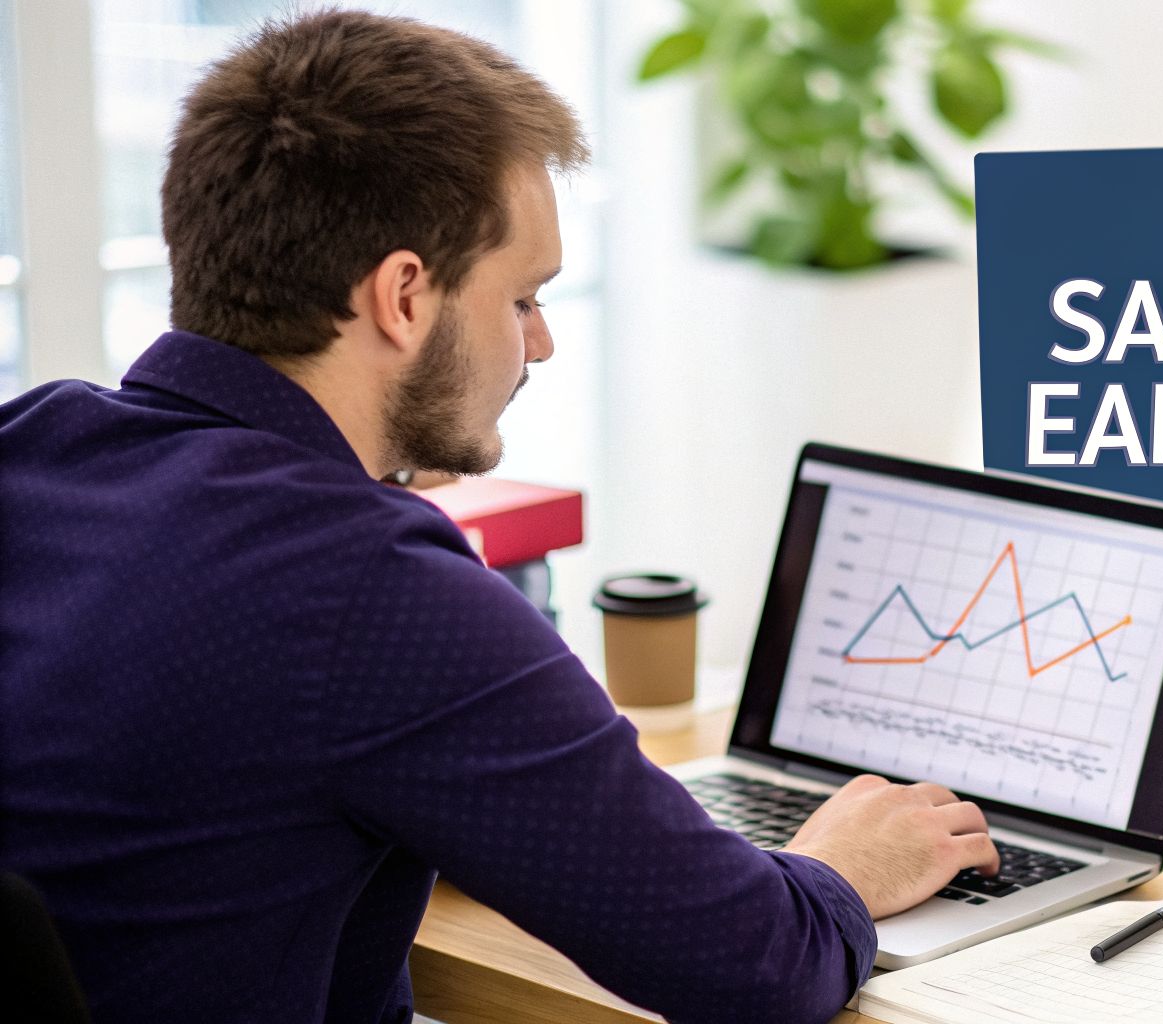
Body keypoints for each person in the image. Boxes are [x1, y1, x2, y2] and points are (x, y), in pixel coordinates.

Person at [0, 10, 998, 1023]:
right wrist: (839, 866)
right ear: (402, 297)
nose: (542, 345)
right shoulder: (371, 583)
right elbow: (756, 966)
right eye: (523, 298)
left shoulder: (34, 448)